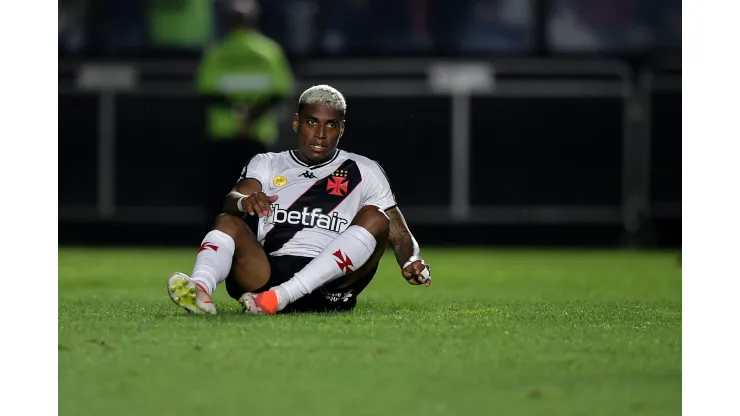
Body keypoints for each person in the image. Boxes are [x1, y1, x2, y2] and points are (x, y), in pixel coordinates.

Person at [167, 85, 431, 315]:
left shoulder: (364, 169)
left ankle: (279, 298)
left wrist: (410, 260)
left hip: (330, 286)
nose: (320, 133)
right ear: (296, 123)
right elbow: (235, 197)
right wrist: (244, 202)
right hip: (267, 274)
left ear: (342, 128)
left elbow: (399, 232)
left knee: (377, 216)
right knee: (228, 221)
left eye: (331, 124)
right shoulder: (268, 162)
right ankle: (200, 288)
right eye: (312, 122)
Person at [197, 0, 295, 223]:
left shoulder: (218, 51)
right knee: (256, 190)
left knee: (221, 190)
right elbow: (280, 92)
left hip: (224, 132)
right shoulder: (268, 51)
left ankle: (218, 237)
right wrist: (252, 116)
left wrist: (236, 113)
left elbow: (206, 92)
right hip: (257, 133)